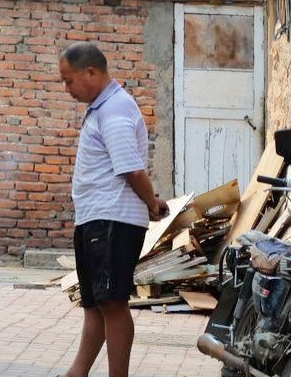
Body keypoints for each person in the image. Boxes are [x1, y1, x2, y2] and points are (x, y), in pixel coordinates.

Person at [58, 43, 169, 377]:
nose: (68, 90)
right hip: (96, 219)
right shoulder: (103, 108)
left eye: (69, 81)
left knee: (113, 304)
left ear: (91, 72)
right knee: (94, 305)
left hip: (112, 222)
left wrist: (151, 202)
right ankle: (77, 372)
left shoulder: (115, 109)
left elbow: (130, 169)